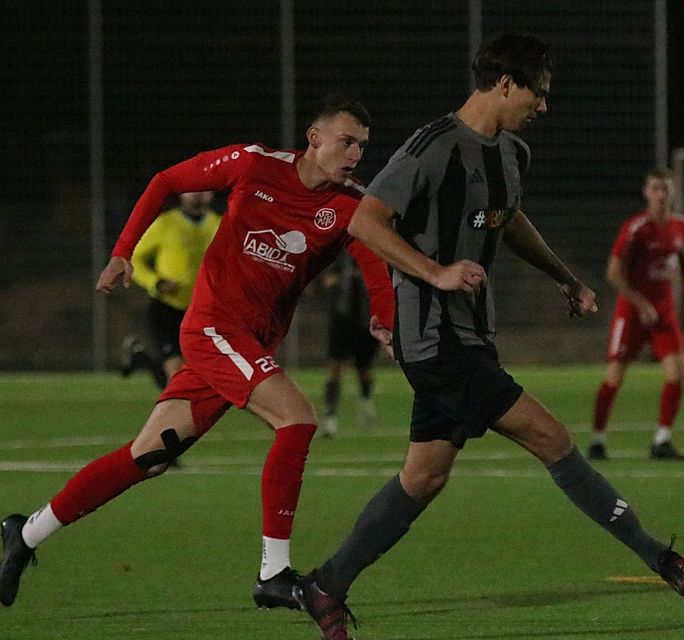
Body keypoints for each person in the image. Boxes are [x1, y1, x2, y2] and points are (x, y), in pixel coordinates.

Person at [290, 33, 684, 640]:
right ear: (506, 84)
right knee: (552, 438)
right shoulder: (432, 147)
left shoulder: (513, 153)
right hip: (435, 341)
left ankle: (325, 586)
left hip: (470, 337)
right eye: (539, 93)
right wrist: (435, 271)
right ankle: (662, 559)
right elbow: (365, 220)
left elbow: (509, 221)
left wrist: (565, 277)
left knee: (423, 478)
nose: (544, 106)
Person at [0, 95, 394, 611]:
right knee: (297, 419)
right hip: (213, 327)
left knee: (149, 456)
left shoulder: (351, 204)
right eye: (346, 141)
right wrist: (122, 252)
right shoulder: (254, 164)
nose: (355, 154)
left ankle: (26, 532)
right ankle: (273, 574)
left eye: (362, 146)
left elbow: (375, 261)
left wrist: (383, 316)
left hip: (249, 342)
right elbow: (166, 181)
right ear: (314, 138)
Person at [587, 168, 684, 462]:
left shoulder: (681, 226)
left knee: (677, 372)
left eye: (665, 189)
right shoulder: (636, 228)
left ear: (672, 192)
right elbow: (613, 273)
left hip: (664, 313)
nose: (661, 194)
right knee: (614, 376)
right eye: (655, 189)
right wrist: (641, 303)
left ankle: (662, 440)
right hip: (632, 313)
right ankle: (597, 440)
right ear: (647, 193)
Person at [120, 190, 221, 391]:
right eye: (192, 190)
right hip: (167, 307)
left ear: (211, 194)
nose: (197, 195)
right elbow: (133, 258)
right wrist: (155, 282)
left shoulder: (220, 225)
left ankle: (140, 357)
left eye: (204, 189)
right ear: (182, 193)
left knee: (195, 376)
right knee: (177, 377)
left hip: (203, 311)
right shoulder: (166, 223)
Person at [320, 252, 382, 437]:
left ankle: (366, 403)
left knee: (364, 369)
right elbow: (326, 279)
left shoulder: (374, 251)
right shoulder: (341, 255)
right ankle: (330, 418)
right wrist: (337, 279)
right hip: (342, 319)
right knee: (335, 368)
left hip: (366, 319)